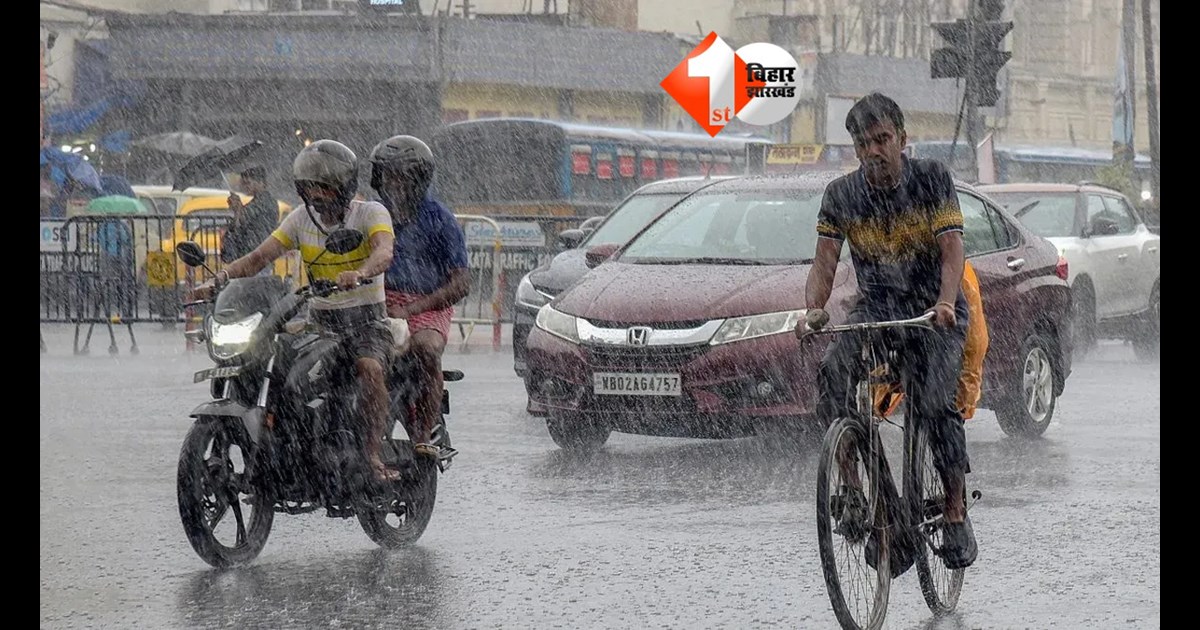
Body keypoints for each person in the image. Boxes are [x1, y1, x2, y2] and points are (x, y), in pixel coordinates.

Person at [793, 92, 977, 571]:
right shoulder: (840, 195)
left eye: (882, 139)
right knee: (833, 376)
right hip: (878, 309)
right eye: (863, 143)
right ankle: (857, 490)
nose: (873, 151)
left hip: (934, 311)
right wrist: (813, 311)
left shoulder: (932, 178)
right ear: (855, 148)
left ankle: (954, 510)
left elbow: (952, 249)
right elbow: (824, 263)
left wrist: (944, 301)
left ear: (902, 139)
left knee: (934, 405)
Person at [187, 140, 402, 481]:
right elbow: (259, 258)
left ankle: (372, 455)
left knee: (369, 368)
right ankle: (290, 450)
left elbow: (384, 251)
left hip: (366, 323)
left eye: (324, 187)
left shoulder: (370, 213)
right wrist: (220, 279)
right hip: (319, 324)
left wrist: (360, 273)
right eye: (310, 187)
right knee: (275, 365)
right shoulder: (300, 219)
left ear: (344, 187)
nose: (316, 194)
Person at [369, 135, 470, 458]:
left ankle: (424, 435)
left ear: (418, 179)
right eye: (387, 176)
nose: (393, 184)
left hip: (427, 305)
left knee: (426, 349)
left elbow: (461, 284)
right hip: (376, 301)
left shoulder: (440, 219)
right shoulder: (371, 214)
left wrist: (412, 308)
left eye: (401, 177)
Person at [220, 165, 280, 270]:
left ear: (261, 183)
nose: (246, 186)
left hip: (258, 257)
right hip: (252, 256)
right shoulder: (257, 201)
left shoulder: (266, 201)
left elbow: (244, 219)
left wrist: (238, 208)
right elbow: (239, 222)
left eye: (248, 183)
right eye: (244, 183)